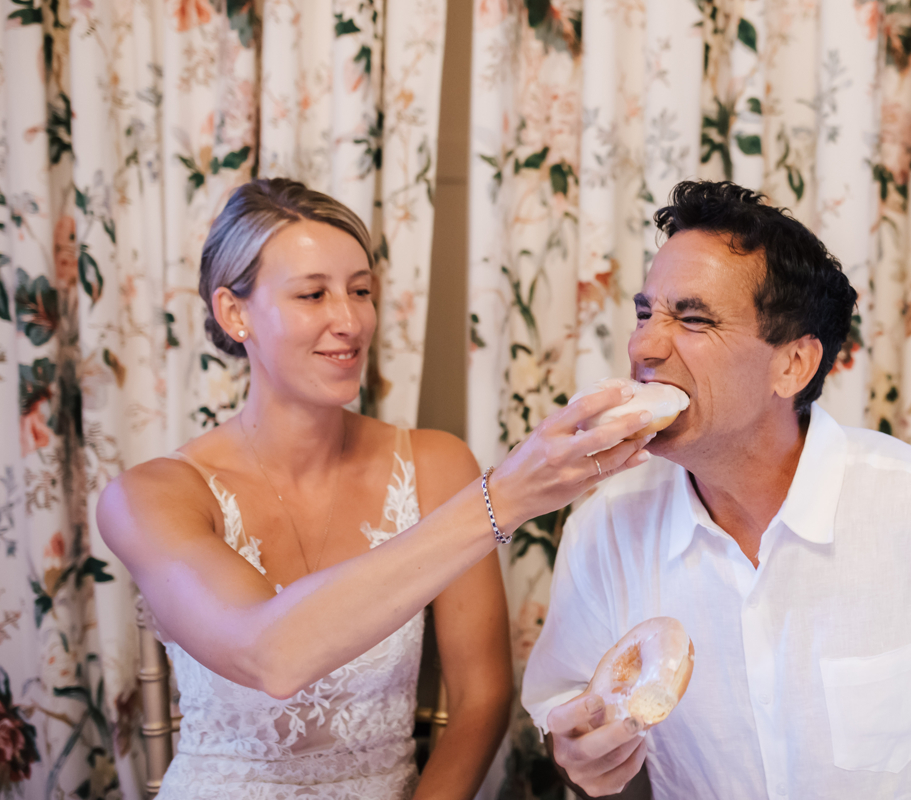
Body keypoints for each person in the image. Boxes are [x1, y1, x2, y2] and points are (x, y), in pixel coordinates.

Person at [521, 181, 911, 800]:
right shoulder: (606, 528)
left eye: (693, 320)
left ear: (793, 365)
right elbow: (570, 717)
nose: (643, 346)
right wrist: (580, 755)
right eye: (646, 313)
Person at [97, 178, 655, 800]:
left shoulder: (435, 463)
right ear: (234, 313)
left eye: (360, 290)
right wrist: (511, 494)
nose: (350, 320)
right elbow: (269, 655)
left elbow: (481, 697)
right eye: (313, 293)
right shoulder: (149, 497)